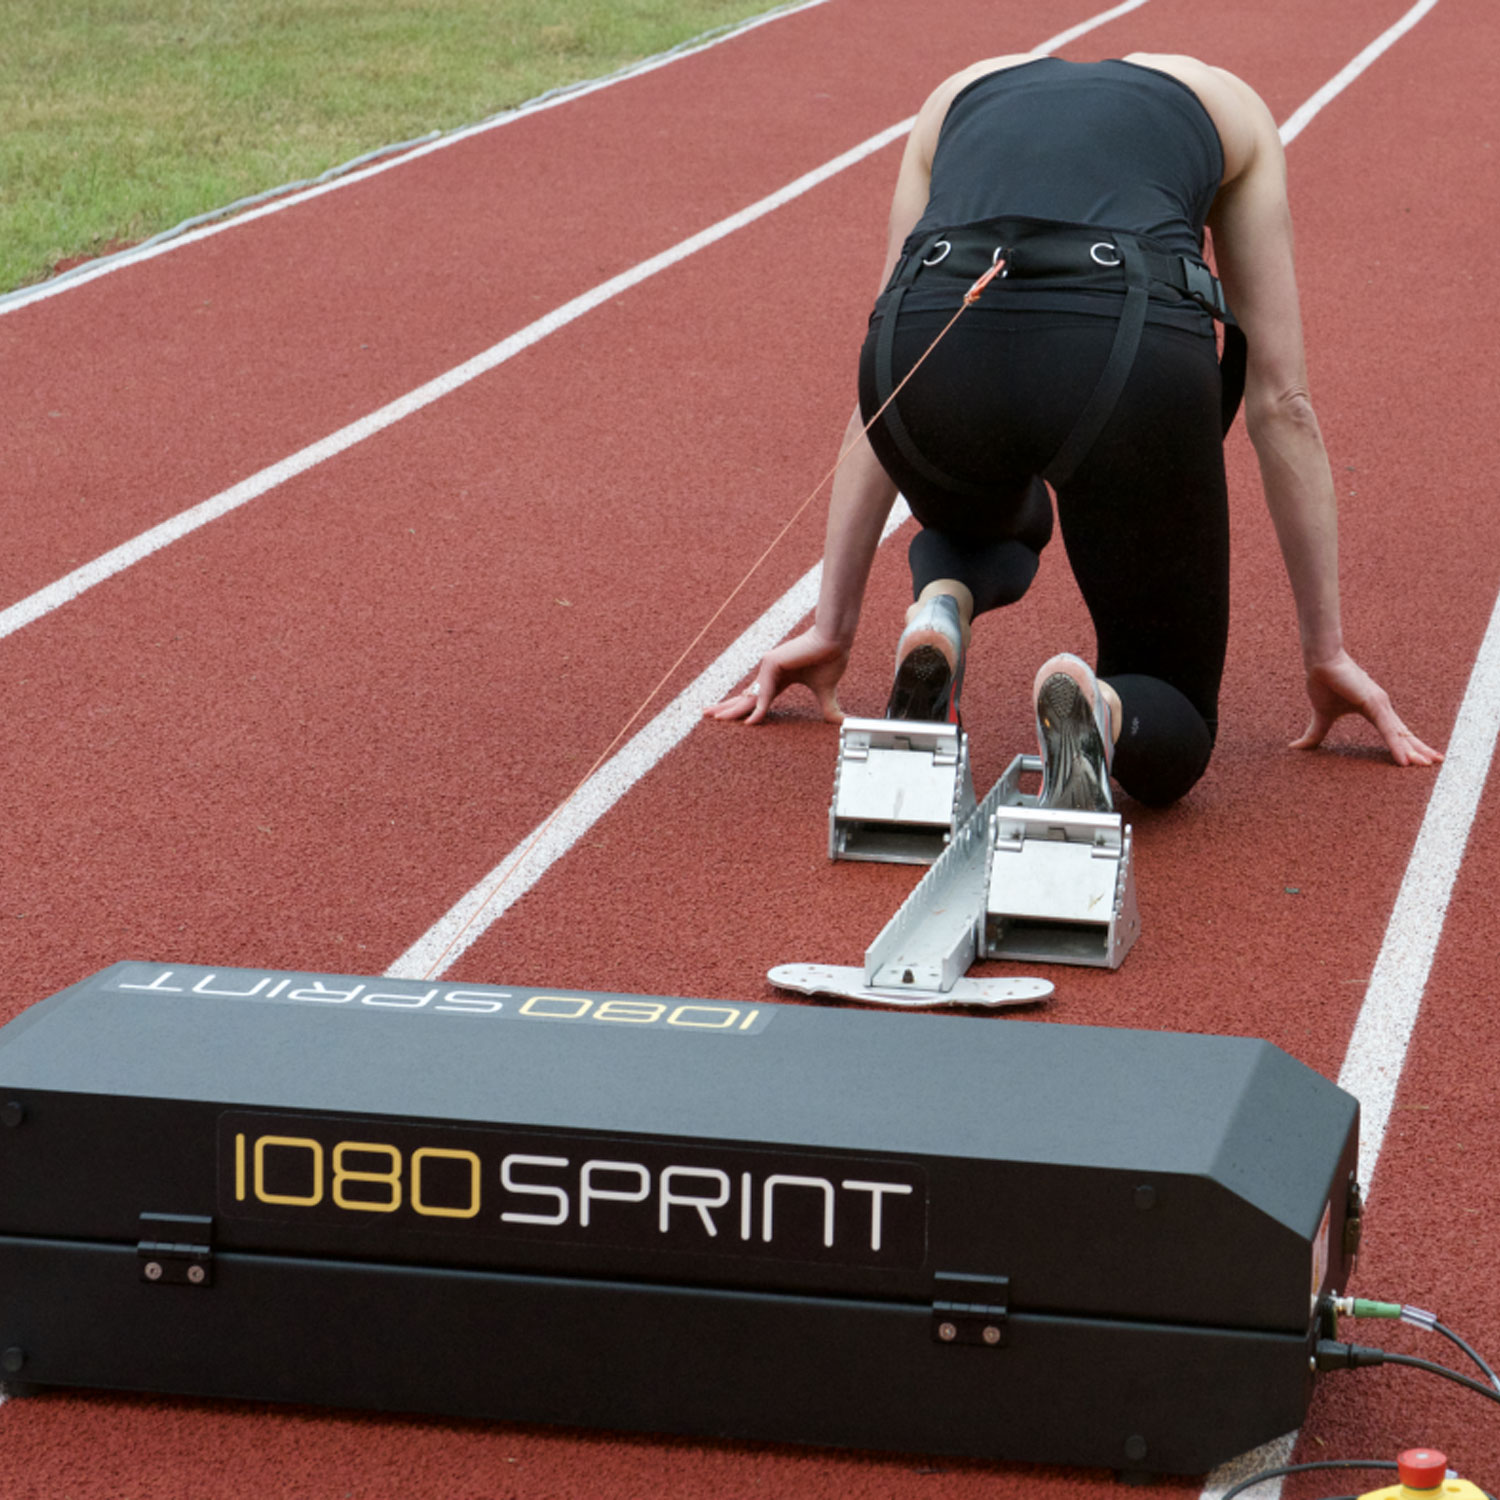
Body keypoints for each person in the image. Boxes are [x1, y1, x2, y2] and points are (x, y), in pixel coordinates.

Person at [704, 53, 1441, 807]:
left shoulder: (954, 94)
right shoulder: (1235, 107)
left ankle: (940, 609)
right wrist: (1326, 650)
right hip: (1120, 347)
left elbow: (886, 370)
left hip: (928, 344)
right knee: (1175, 707)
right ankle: (1102, 706)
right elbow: (1282, 401)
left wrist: (831, 626)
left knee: (993, 506)